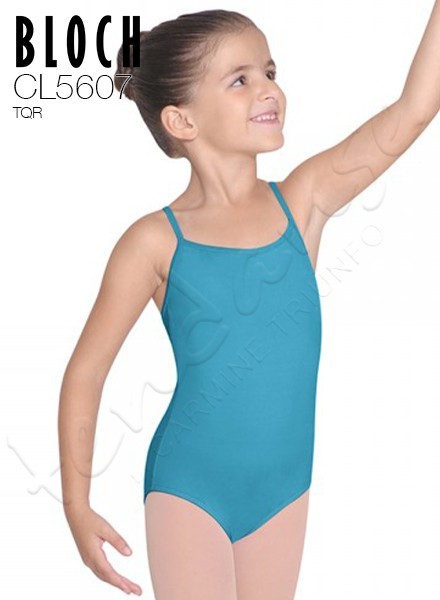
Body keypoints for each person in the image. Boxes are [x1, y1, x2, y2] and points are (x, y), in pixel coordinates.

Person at [58, 6, 440, 599]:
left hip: (283, 489)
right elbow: (87, 371)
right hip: (190, 488)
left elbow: (415, 109)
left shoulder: (304, 201)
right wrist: (76, 506)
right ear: (182, 120)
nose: (269, 89)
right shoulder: (154, 241)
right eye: (240, 79)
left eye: (270, 71)